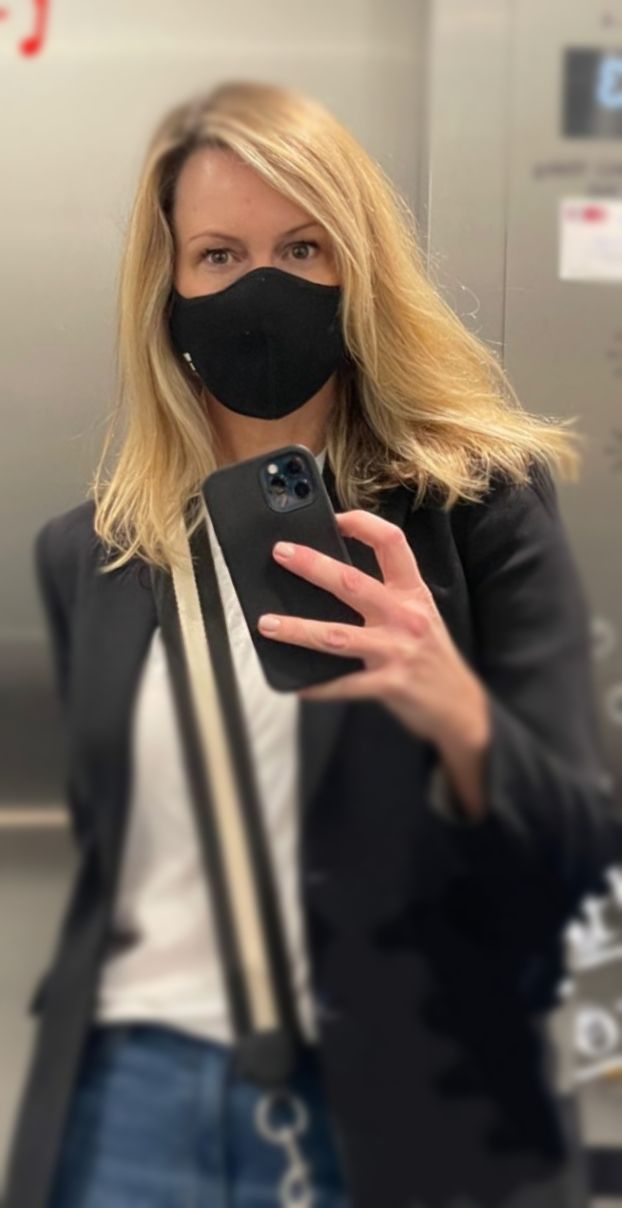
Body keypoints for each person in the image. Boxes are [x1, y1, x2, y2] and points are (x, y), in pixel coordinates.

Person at [3, 79, 620, 1208]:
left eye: (302, 247)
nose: (264, 286)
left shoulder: (476, 509)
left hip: (411, 1108)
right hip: (127, 1115)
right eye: (219, 256)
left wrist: (454, 705)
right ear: (168, 288)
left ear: (357, 266)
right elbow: (108, 862)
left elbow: (580, 846)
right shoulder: (90, 556)